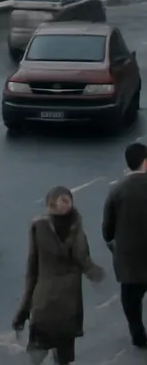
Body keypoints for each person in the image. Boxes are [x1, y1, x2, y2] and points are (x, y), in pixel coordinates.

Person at [13, 185, 105, 364]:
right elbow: (84, 260)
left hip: (43, 306)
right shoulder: (76, 228)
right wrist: (98, 274)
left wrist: (22, 313)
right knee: (63, 356)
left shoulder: (38, 228)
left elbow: (32, 273)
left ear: (49, 205)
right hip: (69, 309)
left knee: (36, 354)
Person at [102, 140, 147, 348]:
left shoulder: (118, 190)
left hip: (130, 259)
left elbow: (107, 229)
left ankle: (138, 334)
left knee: (131, 300)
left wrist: (114, 246)